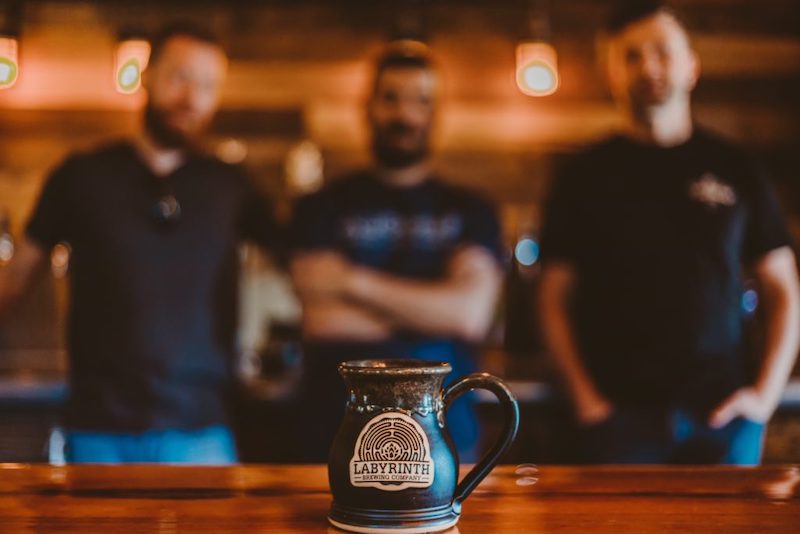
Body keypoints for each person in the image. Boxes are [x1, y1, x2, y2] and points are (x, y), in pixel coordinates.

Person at [0, 24, 279, 464]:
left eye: (208, 85)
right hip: (97, 429)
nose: (191, 96)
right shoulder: (82, 176)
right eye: (179, 77)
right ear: (145, 75)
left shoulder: (232, 185)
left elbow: (304, 266)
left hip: (201, 430)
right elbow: (14, 281)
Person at [538, 1, 800, 465]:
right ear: (611, 74)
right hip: (617, 424)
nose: (648, 66)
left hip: (725, 419)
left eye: (661, 51)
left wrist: (763, 398)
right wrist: (587, 403)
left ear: (691, 66)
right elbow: (554, 298)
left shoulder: (736, 168)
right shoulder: (584, 176)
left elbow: (782, 287)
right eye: (631, 55)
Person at [289, 42, 504, 462]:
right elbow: (322, 319)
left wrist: (350, 281)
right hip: (333, 432)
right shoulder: (321, 206)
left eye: (421, 101)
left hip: (447, 436)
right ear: (367, 107)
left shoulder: (471, 209)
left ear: (436, 113)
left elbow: (468, 314)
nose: (405, 115)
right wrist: (429, 311)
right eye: (390, 98)